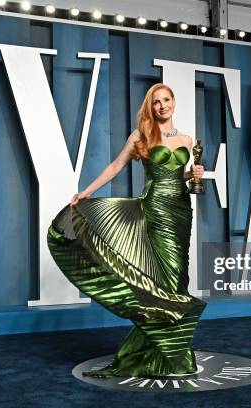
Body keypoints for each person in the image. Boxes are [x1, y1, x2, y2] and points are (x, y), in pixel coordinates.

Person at [47, 83, 206, 378]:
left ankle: (160, 351)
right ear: (151, 107)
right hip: (155, 209)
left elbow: (181, 176)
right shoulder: (141, 136)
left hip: (181, 211)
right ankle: (171, 354)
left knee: (179, 277)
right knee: (167, 277)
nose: (162, 106)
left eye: (167, 100)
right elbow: (114, 167)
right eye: (157, 102)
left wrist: (192, 174)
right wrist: (85, 192)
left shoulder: (186, 139)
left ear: (174, 102)